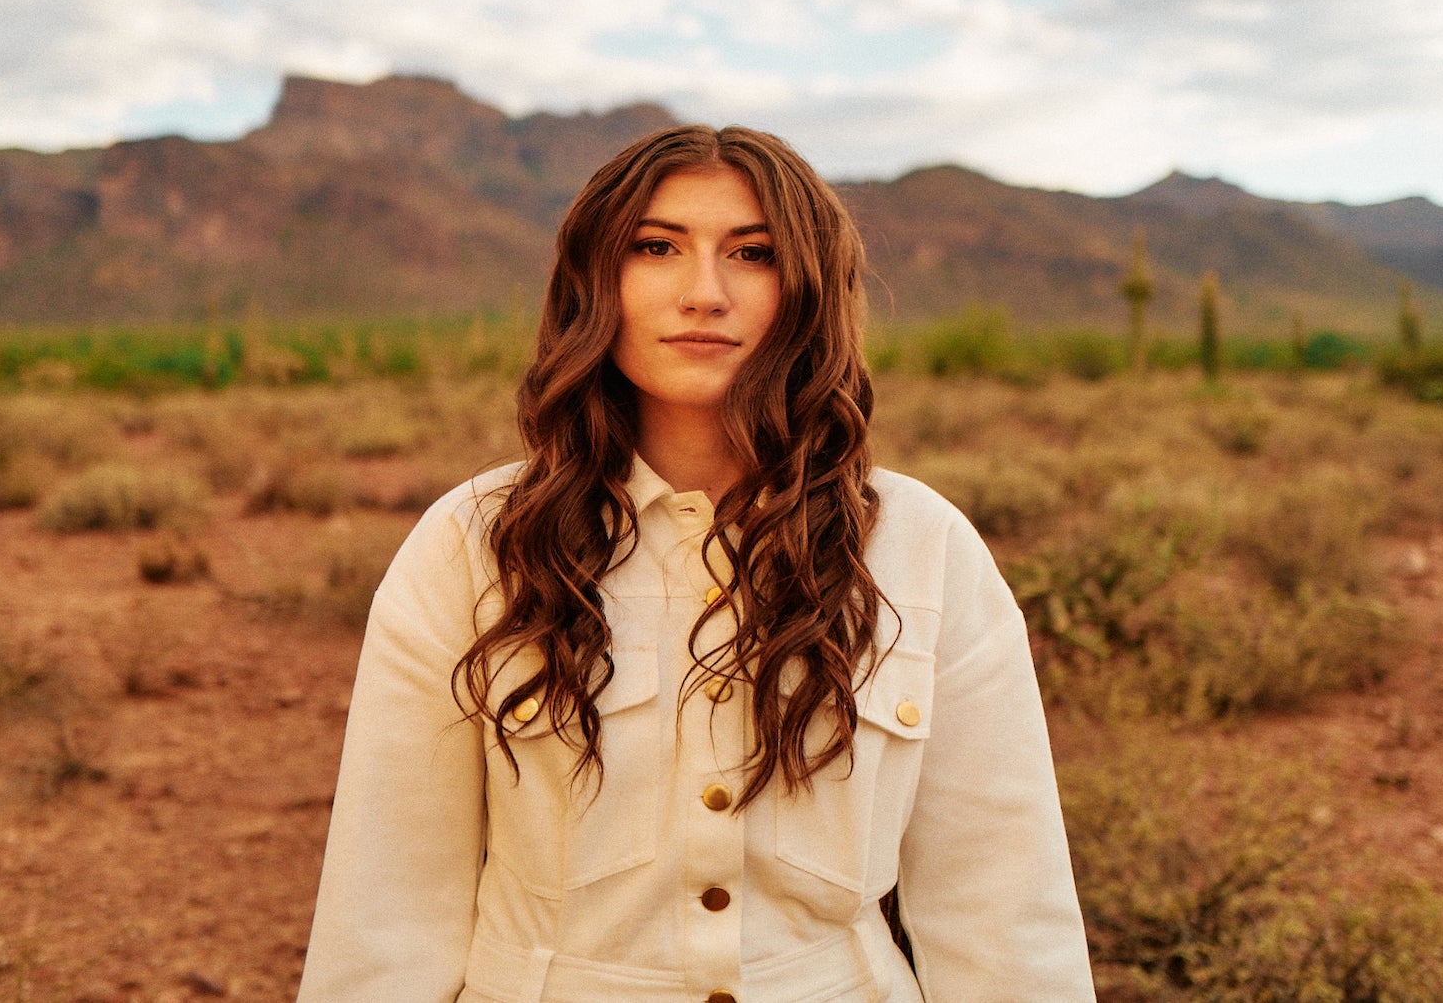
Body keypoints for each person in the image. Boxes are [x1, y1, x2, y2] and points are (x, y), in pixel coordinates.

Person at [296, 125, 1094, 1002]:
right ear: (597, 283)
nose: (704, 292)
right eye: (656, 246)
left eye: (753, 254)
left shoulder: (923, 546)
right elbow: (388, 912)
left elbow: (1003, 911)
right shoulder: (473, 544)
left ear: (806, 292)